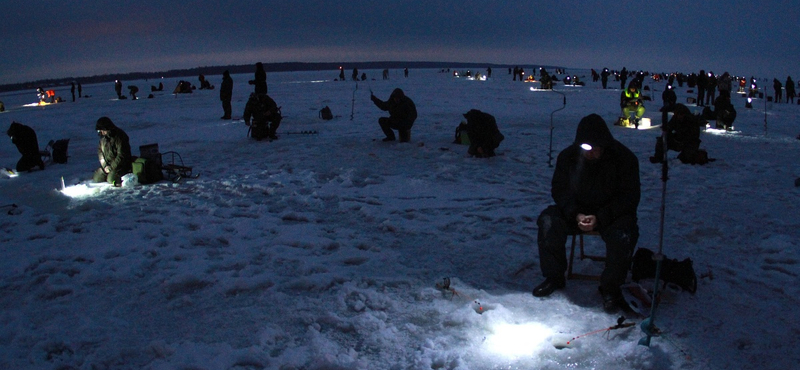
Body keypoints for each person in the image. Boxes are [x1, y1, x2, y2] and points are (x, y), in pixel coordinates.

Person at [533, 114, 640, 312]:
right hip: (577, 211)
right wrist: (575, 213)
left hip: (611, 214)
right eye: (585, 149)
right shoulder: (568, 157)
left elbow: (629, 197)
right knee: (548, 221)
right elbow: (559, 189)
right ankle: (554, 277)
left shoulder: (624, 159)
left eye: (594, 149)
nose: (589, 154)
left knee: (623, 234)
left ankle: (611, 287)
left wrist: (601, 217)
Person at [93, 117, 132, 187]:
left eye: (101, 130)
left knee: (111, 179)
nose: (101, 133)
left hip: (120, 165)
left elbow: (122, 155)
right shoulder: (103, 139)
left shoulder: (120, 136)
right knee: (97, 178)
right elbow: (100, 152)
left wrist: (112, 167)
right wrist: (105, 166)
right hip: (108, 165)